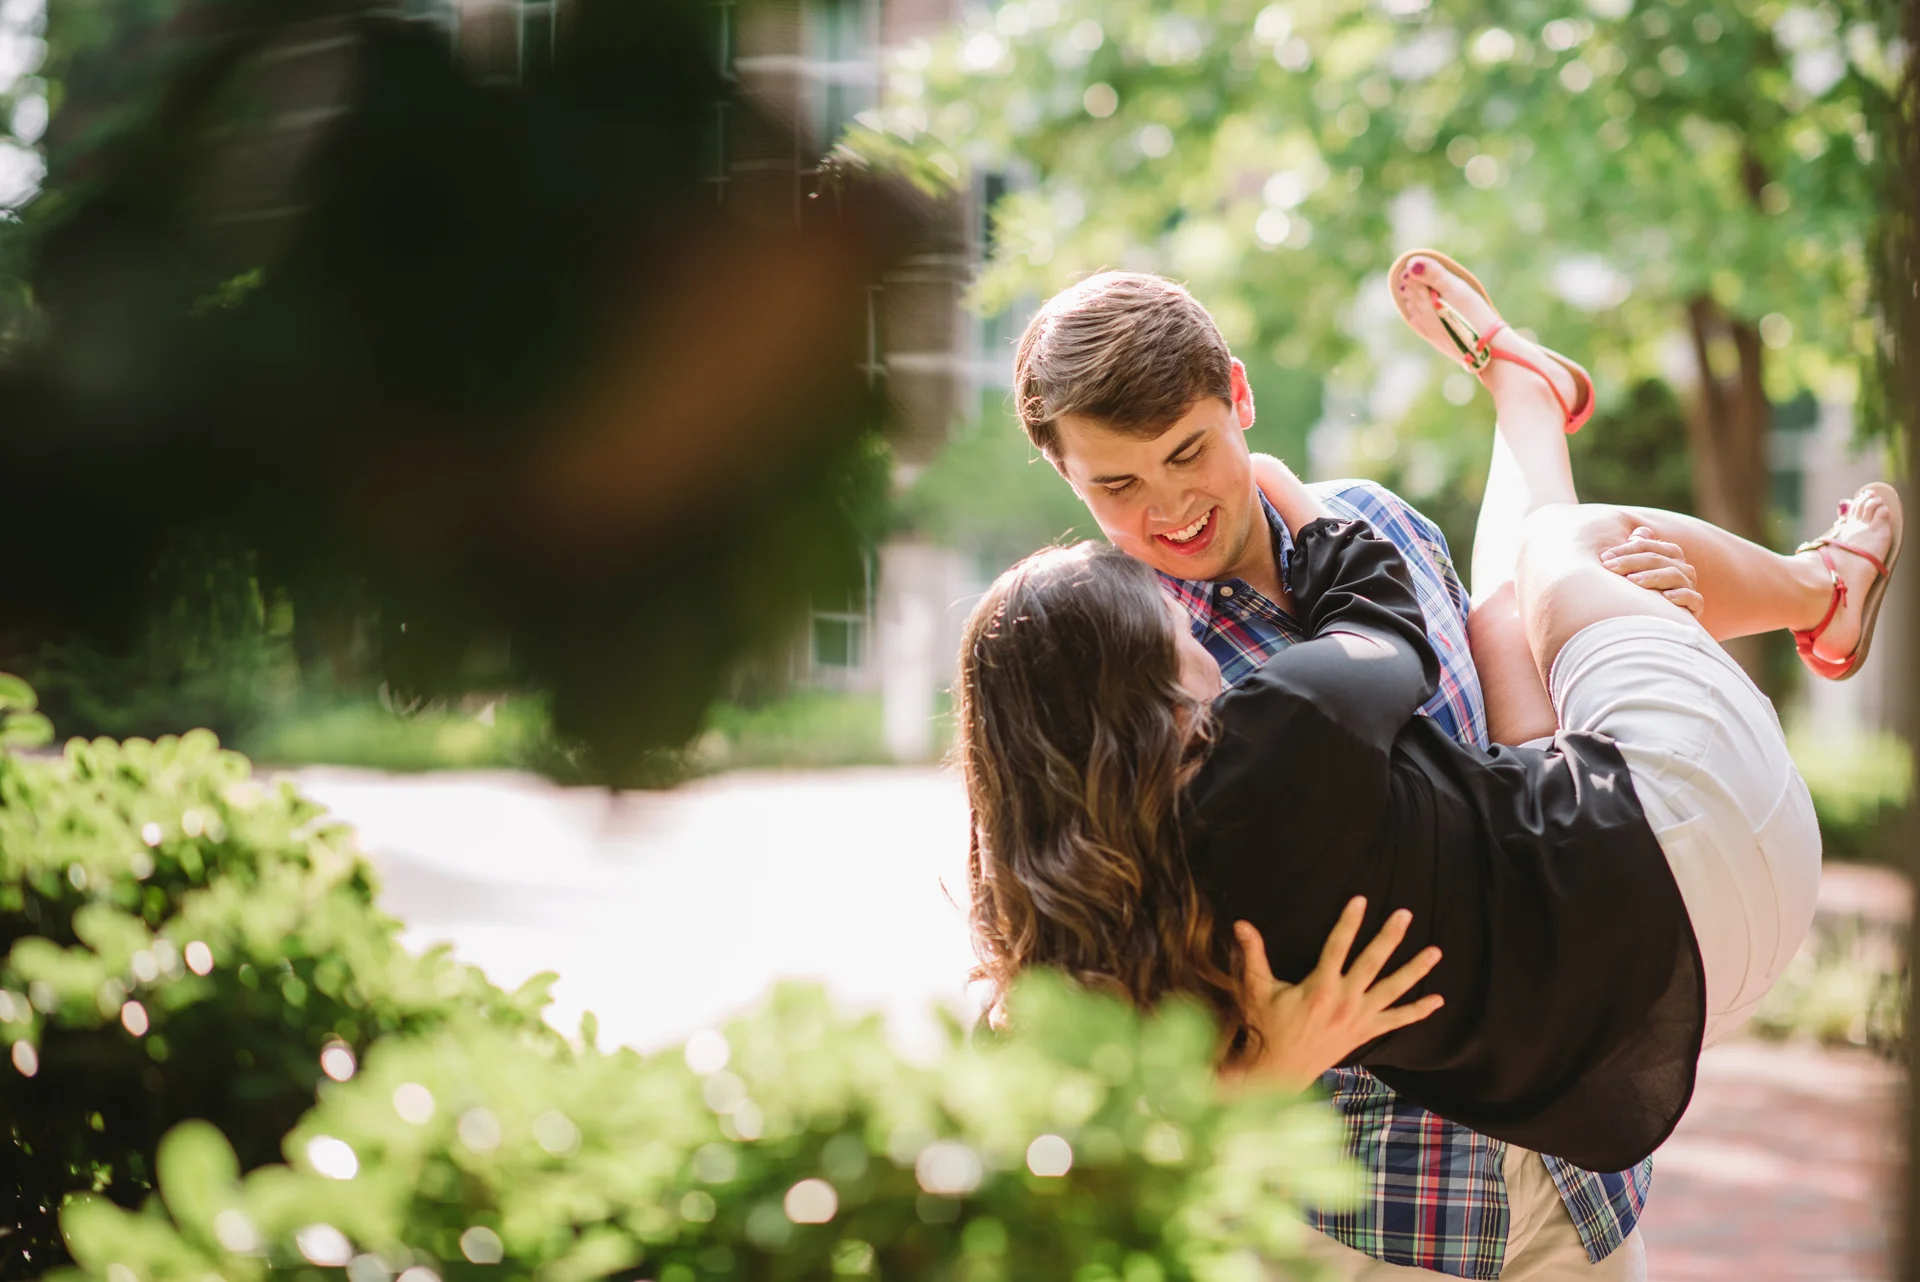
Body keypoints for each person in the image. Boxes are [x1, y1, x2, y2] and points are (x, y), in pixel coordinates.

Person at [962, 264, 1901, 1273]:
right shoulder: (1110, 692)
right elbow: (1046, 1003)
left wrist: (1635, 606)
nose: (1170, 505)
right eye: (1116, 485)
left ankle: (1537, 401)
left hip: (1576, 1163)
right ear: (1067, 477)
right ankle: (1763, 551)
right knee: (1556, 556)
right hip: (1380, 1217)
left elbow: (1510, 703)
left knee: (1521, 591)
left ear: (1238, 394)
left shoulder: (1379, 524)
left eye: (1188, 451)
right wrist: (1259, 1074)